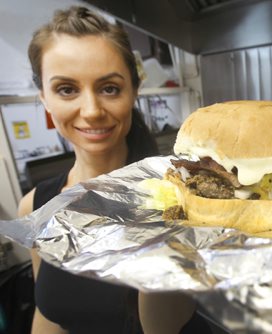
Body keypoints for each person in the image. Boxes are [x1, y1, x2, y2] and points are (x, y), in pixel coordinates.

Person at [17, 6, 212, 334]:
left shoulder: (179, 196)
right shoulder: (35, 205)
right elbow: (49, 311)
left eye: (109, 88)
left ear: (133, 91)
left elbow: (164, 327)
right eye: (67, 89)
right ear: (44, 98)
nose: (91, 111)